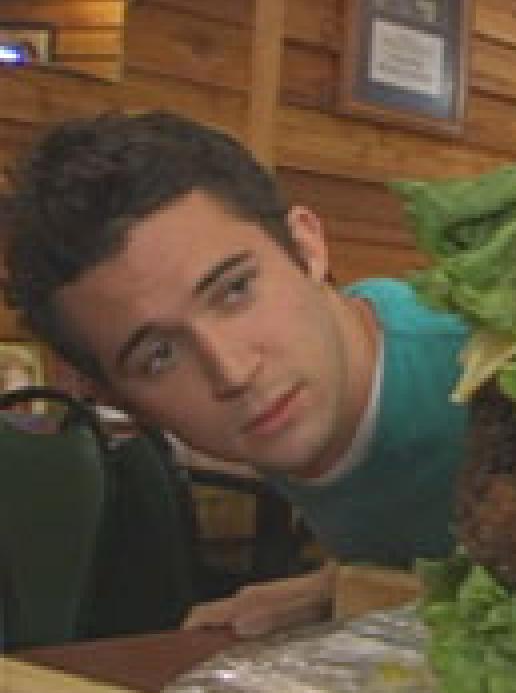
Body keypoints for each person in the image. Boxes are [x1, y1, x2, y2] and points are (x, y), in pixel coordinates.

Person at [0, 111, 469, 637]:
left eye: (235, 290)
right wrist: (337, 586)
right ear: (122, 401)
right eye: (159, 356)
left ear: (307, 247)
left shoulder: (482, 371)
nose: (232, 371)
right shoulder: (296, 397)